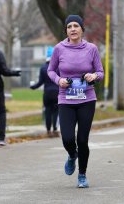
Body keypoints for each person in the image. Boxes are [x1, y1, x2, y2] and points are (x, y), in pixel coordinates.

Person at [47, 15, 104, 188]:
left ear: (81, 29)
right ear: (66, 30)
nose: (73, 29)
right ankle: (72, 155)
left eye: (76, 26)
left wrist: (93, 76)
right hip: (66, 99)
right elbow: (50, 70)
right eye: (69, 26)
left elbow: (100, 72)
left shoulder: (91, 49)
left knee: (82, 139)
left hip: (87, 99)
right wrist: (59, 81)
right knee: (68, 139)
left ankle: (82, 175)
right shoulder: (59, 48)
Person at [30, 46, 59, 137]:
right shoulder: (59, 67)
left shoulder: (43, 68)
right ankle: (55, 129)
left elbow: (40, 82)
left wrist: (33, 87)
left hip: (47, 94)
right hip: (57, 93)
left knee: (48, 112)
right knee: (56, 112)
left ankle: (48, 131)